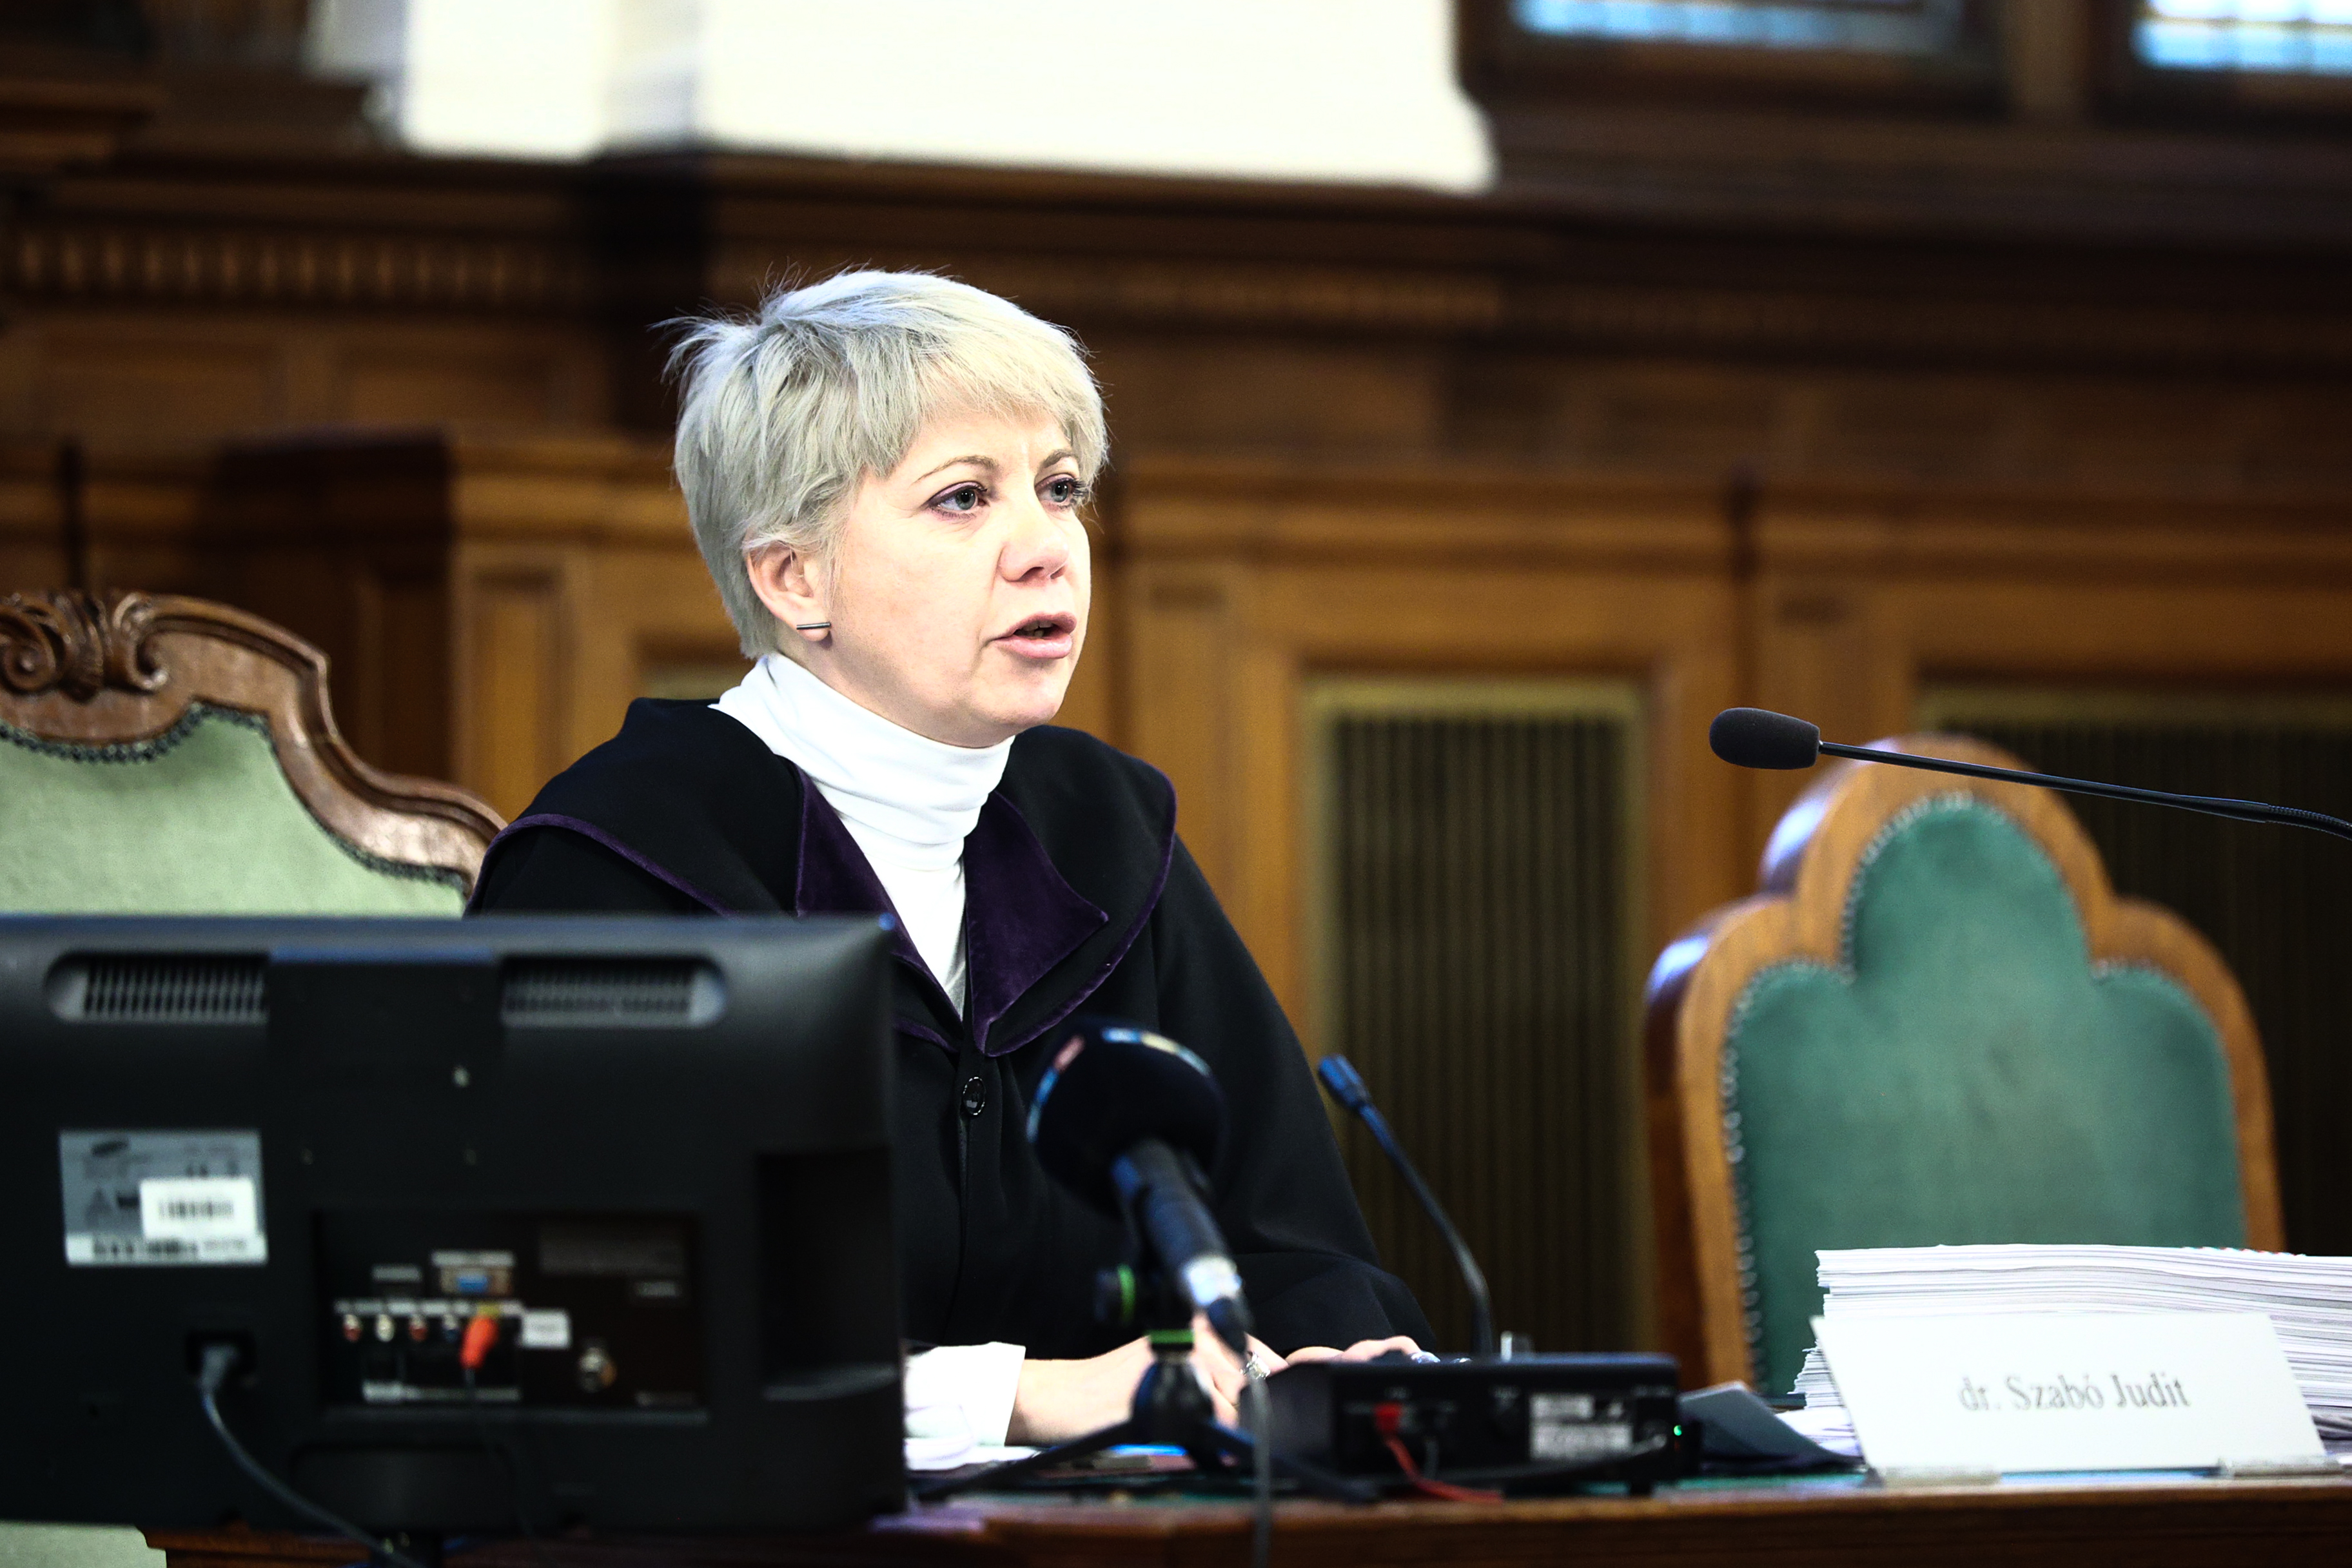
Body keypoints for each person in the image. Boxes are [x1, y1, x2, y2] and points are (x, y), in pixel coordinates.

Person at [469, 270, 1429, 1450]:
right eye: (964, 498)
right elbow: (584, 1343)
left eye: (1060, 488)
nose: (1048, 549)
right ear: (793, 577)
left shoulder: (1107, 834)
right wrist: (1018, 1399)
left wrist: (1333, 1359)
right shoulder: (622, 867)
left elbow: (1285, 1239)